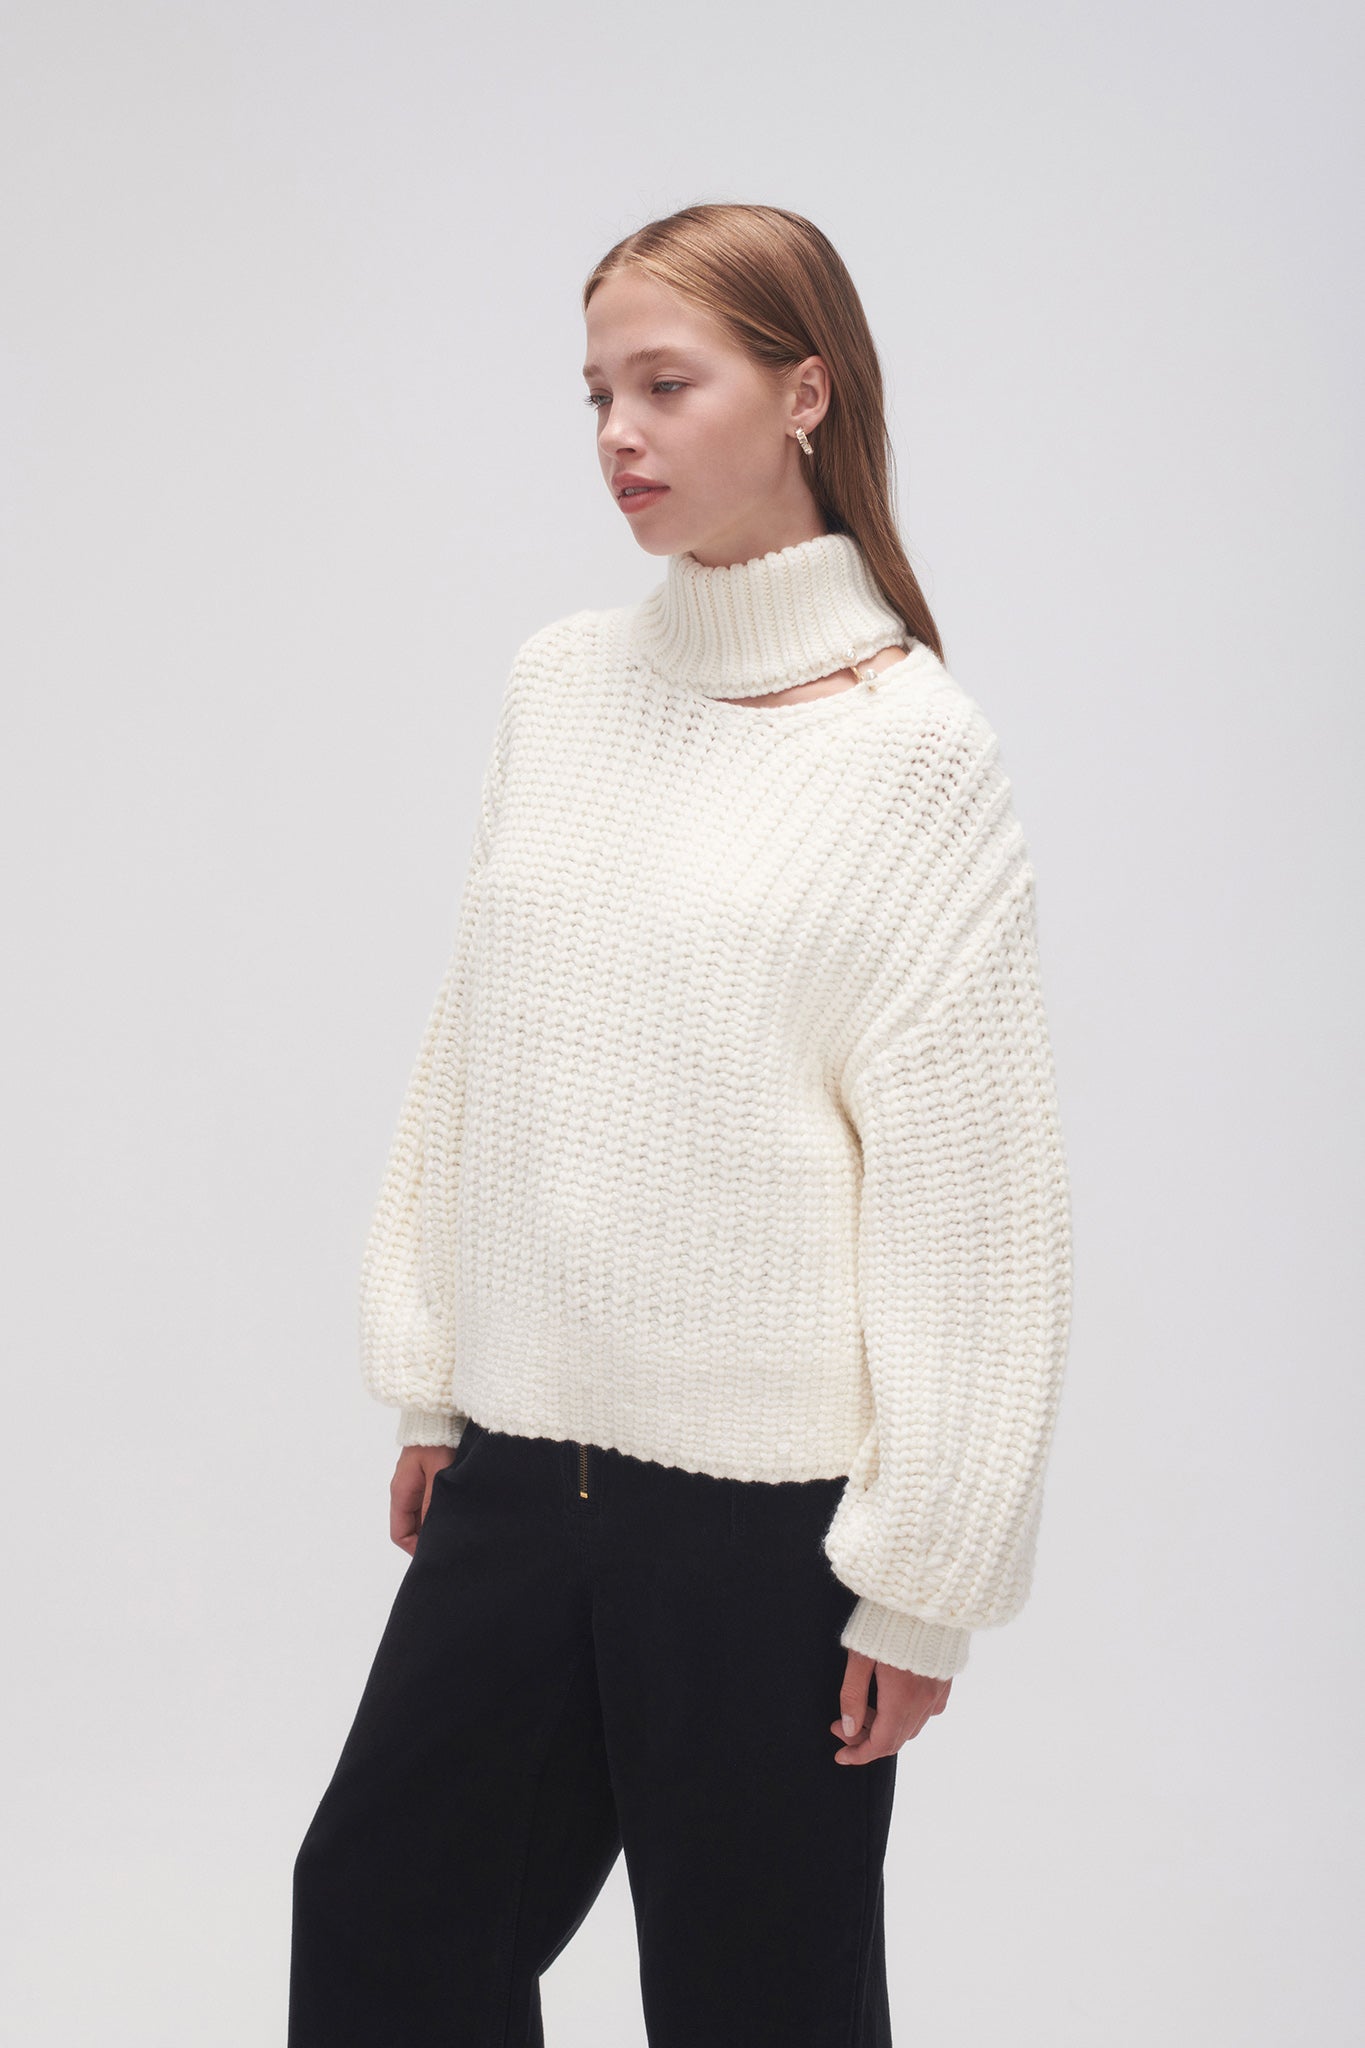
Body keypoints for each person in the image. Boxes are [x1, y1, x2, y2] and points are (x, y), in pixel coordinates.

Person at [288, 202, 1074, 2047]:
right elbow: (480, 1040)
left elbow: (973, 1208)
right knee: (383, 1923)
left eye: (665, 384)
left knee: (756, 2003)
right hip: (517, 1472)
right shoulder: (561, 684)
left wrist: (923, 1588)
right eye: (595, 395)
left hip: (764, 1531)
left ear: (804, 393)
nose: (617, 436)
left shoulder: (912, 753)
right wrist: (435, 1387)